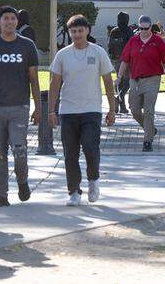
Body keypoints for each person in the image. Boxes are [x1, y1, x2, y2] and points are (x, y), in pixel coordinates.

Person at [48, 16, 117, 205]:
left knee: (90, 147)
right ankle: (74, 191)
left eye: (80, 30)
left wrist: (112, 109)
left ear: (87, 30)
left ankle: (93, 179)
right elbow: (54, 83)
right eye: (73, 31)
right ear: (70, 33)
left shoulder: (98, 52)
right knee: (70, 153)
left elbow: (108, 82)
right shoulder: (62, 54)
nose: (77, 34)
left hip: (91, 110)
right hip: (68, 111)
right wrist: (51, 111)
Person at [0, 6, 41, 207]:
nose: (9, 22)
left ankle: (22, 181)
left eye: (12, 18)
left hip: (19, 106)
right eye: (5, 19)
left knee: (19, 149)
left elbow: (34, 79)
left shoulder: (27, 45)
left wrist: (38, 107)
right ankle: (2, 194)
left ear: (17, 22)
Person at [119, 15, 165, 152]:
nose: (143, 31)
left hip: (152, 79)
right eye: (141, 28)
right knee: (134, 110)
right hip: (135, 80)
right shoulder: (133, 41)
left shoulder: (157, 41)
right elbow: (125, 60)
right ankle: (150, 129)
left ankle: (147, 140)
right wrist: (119, 76)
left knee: (149, 111)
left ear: (151, 27)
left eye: (146, 28)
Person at [106, 13, 133, 113]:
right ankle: (120, 96)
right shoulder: (128, 31)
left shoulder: (113, 31)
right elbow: (132, 45)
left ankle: (122, 107)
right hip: (126, 60)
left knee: (119, 81)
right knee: (128, 81)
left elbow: (109, 45)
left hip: (116, 59)